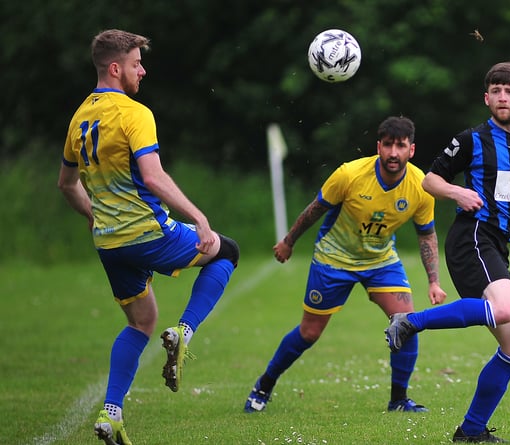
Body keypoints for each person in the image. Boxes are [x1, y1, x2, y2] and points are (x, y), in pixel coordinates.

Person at [384, 62, 510, 442]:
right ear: (486, 97)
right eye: (495, 90)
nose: (502, 97)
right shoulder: (471, 140)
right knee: (504, 309)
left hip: (496, 244)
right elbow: (430, 179)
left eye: (509, 91)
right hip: (473, 237)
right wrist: (457, 191)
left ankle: (471, 430)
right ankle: (410, 322)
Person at [58, 29, 239, 445]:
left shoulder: (80, 116)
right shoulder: (134, 112)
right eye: (137, 62)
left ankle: (112, 414)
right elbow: (153, 176)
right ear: (116, 67)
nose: (143, 69)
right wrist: (199, 217)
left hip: (108, 243)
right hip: (147, 233)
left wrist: (94, 214)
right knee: (225, 250)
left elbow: (67, 184)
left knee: (141, 322)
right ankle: (185, 333)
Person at [244, 116, 447, 414]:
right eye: (388, 145)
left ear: (411, 150)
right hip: (334, 259)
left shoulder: (421, 186)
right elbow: (315, 210)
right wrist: (289, 241)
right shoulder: (349, 175)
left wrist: (433, 281)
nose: (393, 153)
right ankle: (264, 385)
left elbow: (427, 235)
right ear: (378, 146)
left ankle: (399, 400)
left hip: (380, 260)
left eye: (400, 146)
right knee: (310, 333)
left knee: (406, 324)